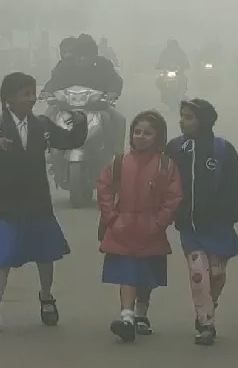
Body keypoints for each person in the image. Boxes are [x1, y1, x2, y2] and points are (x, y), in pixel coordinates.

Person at [0, 72, 88, 334]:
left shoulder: (43, 126)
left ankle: (46, 297)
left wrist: (80, 123)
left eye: (33, 94)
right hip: (5, 203)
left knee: (45, 255)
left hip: (37, 202)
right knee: (2, 258)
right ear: (8, 98)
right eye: (25, 94)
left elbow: (70, 141)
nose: (32, 99)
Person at [97, 110, 183, 343]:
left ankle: (141, 313)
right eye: (137, 132)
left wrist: (159, 222)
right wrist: (112, 218)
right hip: (121, 229)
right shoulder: (118, 163)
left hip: (151, 230)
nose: (141, 136)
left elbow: (173, 197)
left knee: (146, 274)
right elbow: (104, 190)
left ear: (158, 137)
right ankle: (126, 316)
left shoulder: (166, 165)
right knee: (127, 273)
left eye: (147, 133)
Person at [166, 99, 238, 345]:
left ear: (204, 121)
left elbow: (235, 184)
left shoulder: (223, 149)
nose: (182, 121)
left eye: (189, 117)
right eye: (182, 116)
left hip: (219, 225)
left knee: (217, 274)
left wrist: (233, 213)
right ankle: (206, 322)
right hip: (190, 226)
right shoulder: (175, 149)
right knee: (199, 274)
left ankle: (208, 304)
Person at [42, 34, 126, 154]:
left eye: (87, 54)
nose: (83, 58)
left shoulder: (103, 64)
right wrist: (47, 91)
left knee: (119, 120)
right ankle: (46, 150)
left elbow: (115, 79)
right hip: (66, 107)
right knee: (46, 117)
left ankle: (117, 154)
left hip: (97, 107)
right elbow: (54, 81)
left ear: (94, 53)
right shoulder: (65, 65)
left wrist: (113, 92)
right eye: (80, 53)